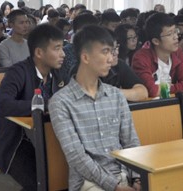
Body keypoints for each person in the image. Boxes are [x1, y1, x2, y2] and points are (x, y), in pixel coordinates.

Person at [49, 25, 141, 191]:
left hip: (125, 174)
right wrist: (114, 187)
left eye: (112, 52)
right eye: (105, 52)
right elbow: (76, 156)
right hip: (89, 182)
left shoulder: (116, 95)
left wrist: (138, 178)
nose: (111, 59)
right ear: (85, 57)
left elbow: (131, 142)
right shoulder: (61, 102)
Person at [0, 24, 67, 191]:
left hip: (51, 139)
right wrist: (45, 104)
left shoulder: (59, 73)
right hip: (15, 142)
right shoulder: (18, 72)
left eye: (62, 48)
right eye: (57, 48)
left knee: (63, 179)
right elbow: (1, 105)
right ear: (39, 52)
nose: (63, 54)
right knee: (41, 183)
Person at [131, 13, 183, 97]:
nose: (176, 37)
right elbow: (152, 91)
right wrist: (175, 87)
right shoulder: (141, 58)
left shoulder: (177, 52)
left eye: (175, 31)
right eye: (170, 34)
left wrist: (165, 88)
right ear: (156, 41)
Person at [102, 35, 148, 102]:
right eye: (110, 50)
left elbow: (143, 92)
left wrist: (114, 93)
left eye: (116, 47)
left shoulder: (119, 65)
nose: (117, 53)